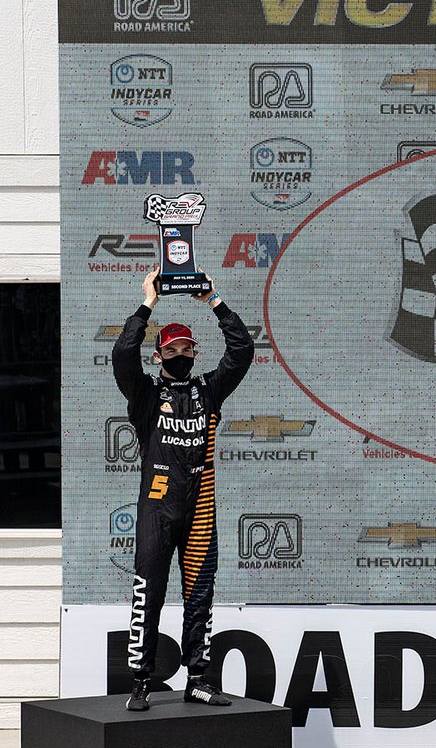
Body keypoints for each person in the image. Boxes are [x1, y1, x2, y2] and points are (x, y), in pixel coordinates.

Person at [112, 266, 254, 711]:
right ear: (159, 356)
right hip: (157, 510)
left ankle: (197, 678)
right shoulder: (145, 395)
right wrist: (147, 301)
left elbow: (243, 350)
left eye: (188, 347)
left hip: (200, 511)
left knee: (200, 597)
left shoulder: (208, 390)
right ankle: (140, 683)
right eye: (172, 348)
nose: (181, 353)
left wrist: (214, 300)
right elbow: (122, 354)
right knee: (147, 595)